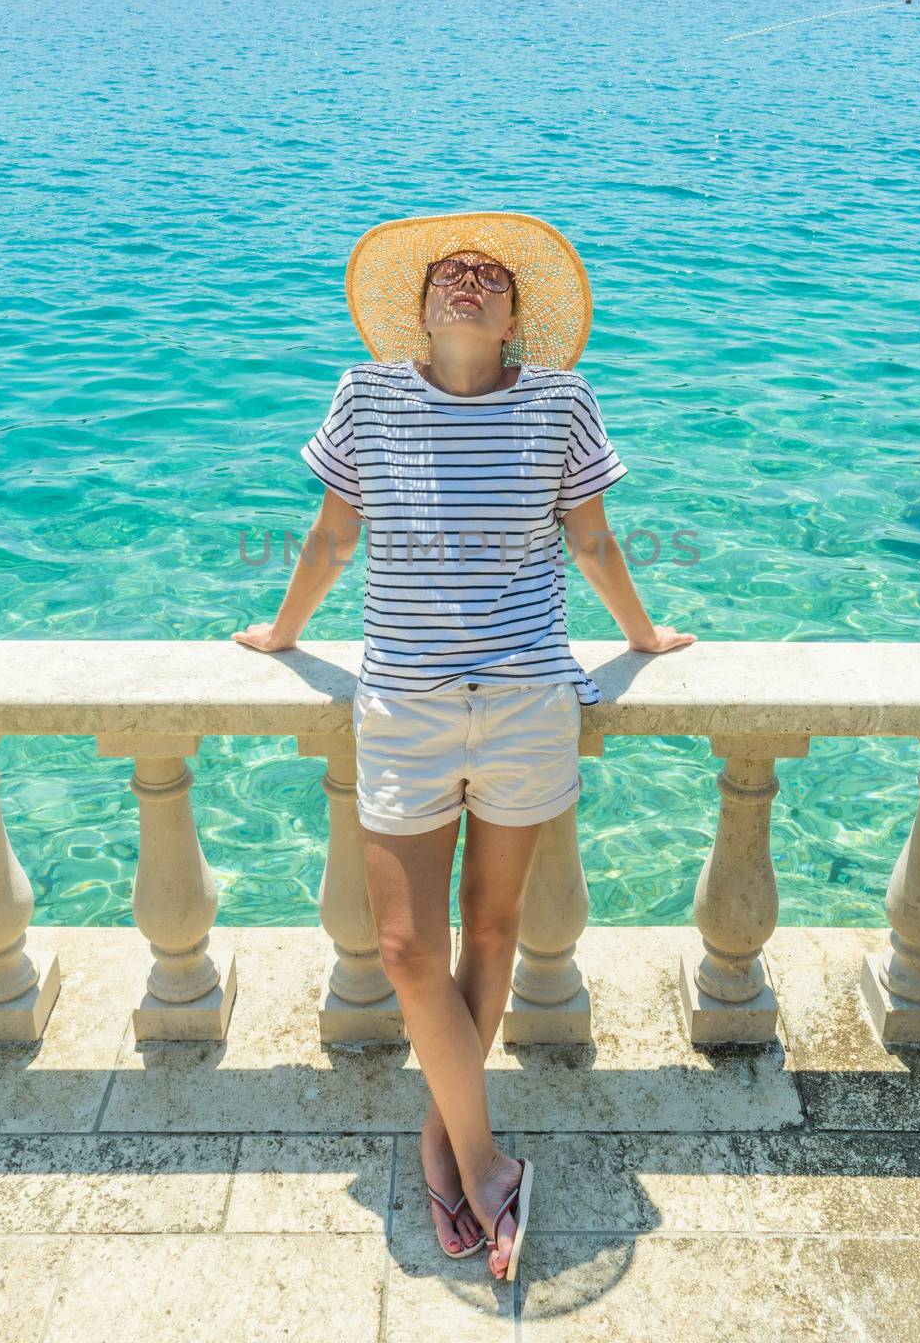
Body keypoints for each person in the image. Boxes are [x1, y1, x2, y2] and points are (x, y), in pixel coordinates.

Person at [232, 211, 697, 1281]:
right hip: (403, 703)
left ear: (515, 314)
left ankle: (448, 1145)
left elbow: (589, 536)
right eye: (451, 272)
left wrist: (639, 636)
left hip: (529, 695)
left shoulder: (561, 401)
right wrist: (284, 633)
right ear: (422, 306)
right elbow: (334, 532)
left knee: (489, 929)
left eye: (489, 276)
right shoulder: (366, 396)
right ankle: (484, 1157)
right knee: (404, 947)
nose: (470, 282)